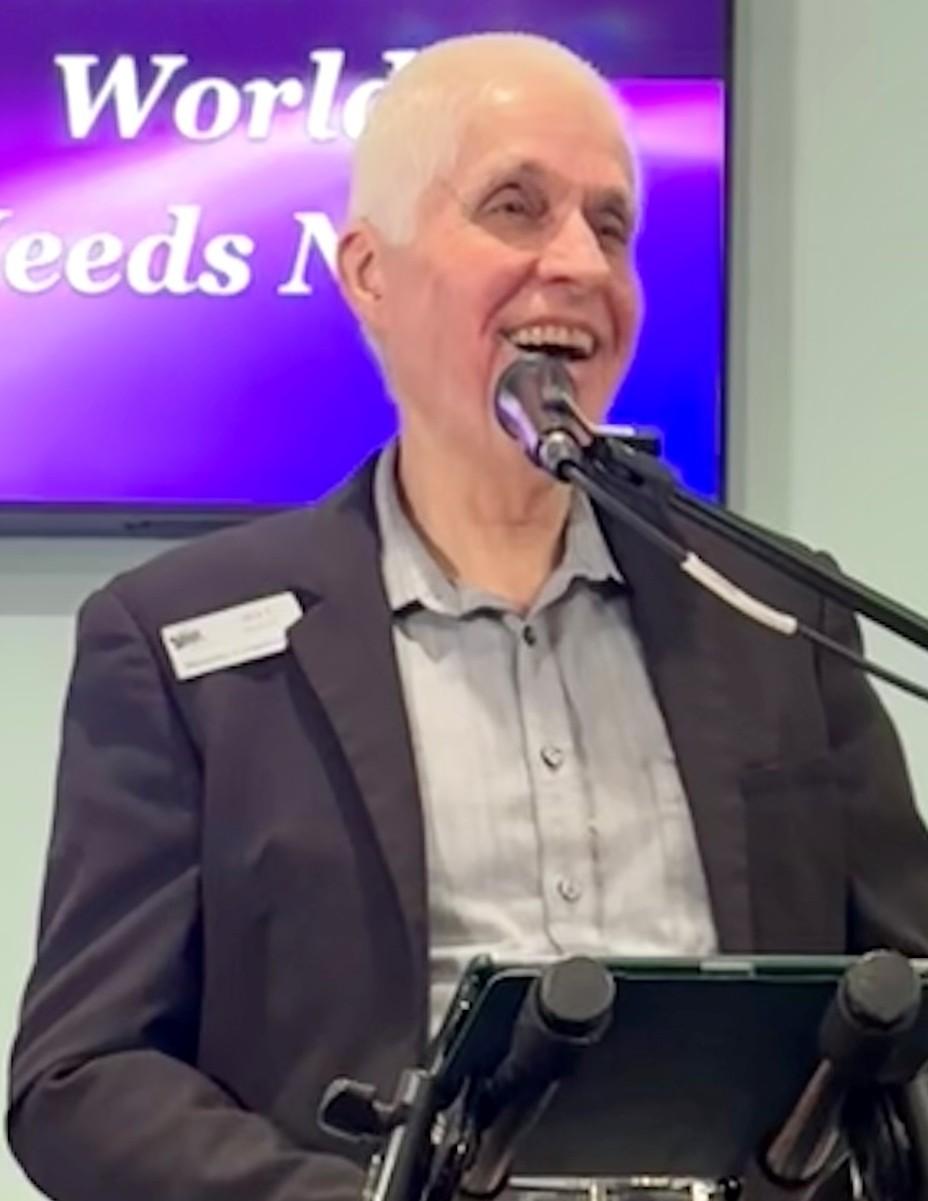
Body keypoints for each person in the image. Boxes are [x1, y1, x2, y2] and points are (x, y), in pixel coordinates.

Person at [7, 31, 928, 1201]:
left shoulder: (773, 612)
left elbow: (909, 1002)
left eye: (611, 226)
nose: (579, 262)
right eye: (514, 207)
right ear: (368, 275)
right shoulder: (173, 643)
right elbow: (82, 1077)